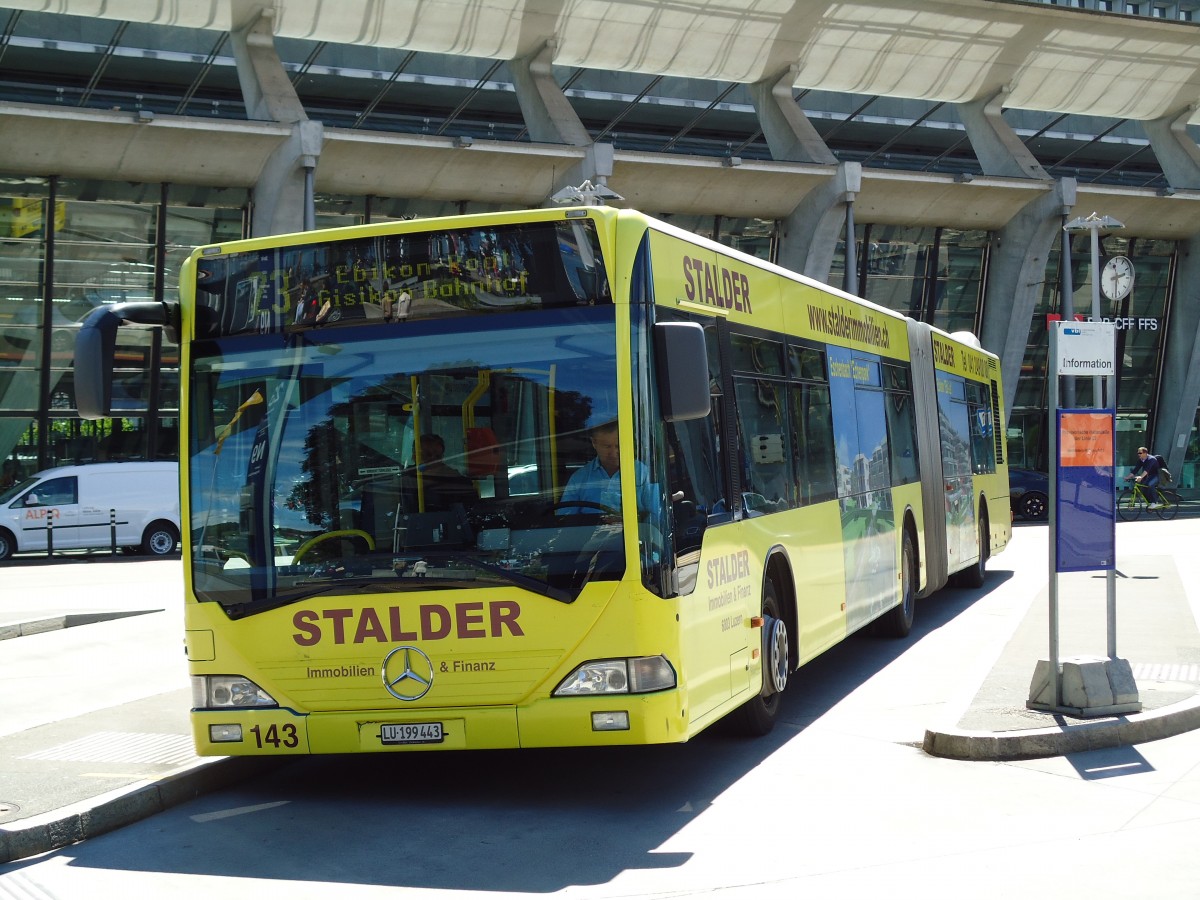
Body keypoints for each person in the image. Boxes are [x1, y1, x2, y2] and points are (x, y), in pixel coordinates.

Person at [559, 420, 656, 516]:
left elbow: (655, 516)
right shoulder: (579, 478)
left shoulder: (642, 473)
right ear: (594, 443)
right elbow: (565, 518)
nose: (613, 454)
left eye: (618, 446)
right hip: (589, 531)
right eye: (607, 446)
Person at [403, 433, 476, 511]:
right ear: (414, 457)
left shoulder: (455, 480)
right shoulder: (404, 481)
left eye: (437, 456)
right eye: (427, 455)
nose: (433, 460)